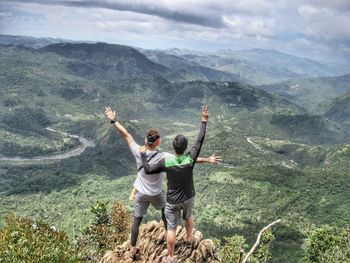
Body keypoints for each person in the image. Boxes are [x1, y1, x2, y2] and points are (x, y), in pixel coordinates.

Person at [104, 106, 220, 260]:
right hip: (158, 194)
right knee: (169, 216)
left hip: (141, 193)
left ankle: (133, 248)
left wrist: (114, 120)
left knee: (137, 220)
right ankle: (174, 236)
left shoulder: (138, 151)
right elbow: (191, 156)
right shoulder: (165, 157)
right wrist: (207, 158)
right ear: (158, 142)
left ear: (146, 140)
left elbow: (126, 134)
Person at [140, 106, 213, 263]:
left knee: (171, 228)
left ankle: (171, 256)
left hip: (172, 201)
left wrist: (143, 155)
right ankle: (188, 238)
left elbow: (147, 170)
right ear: (186, 148)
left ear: (173, 147)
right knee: (188, 217)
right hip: (188, 197)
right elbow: (199, 140)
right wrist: (204, 121)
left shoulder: (166, 161)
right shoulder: (190, 158)